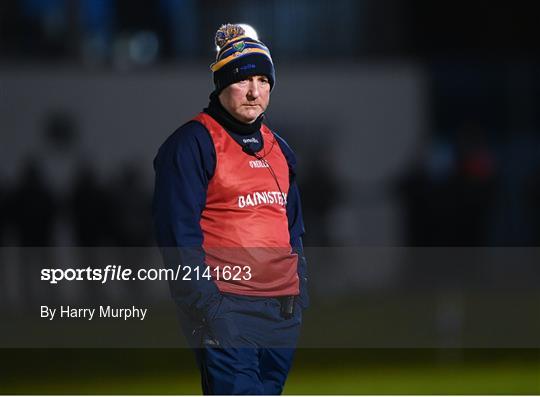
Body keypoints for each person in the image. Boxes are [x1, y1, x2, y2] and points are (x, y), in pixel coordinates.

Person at [152, 24, 309, 395]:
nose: (254, 91)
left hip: (281, 313)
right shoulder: (192, 143)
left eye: (262, 79)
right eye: (242, 80)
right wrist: (209, 306)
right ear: (222, 84)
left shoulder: (279, 148)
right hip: (226, 310)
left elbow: (294, 227)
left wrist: (299, 291)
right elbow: (177, 235)